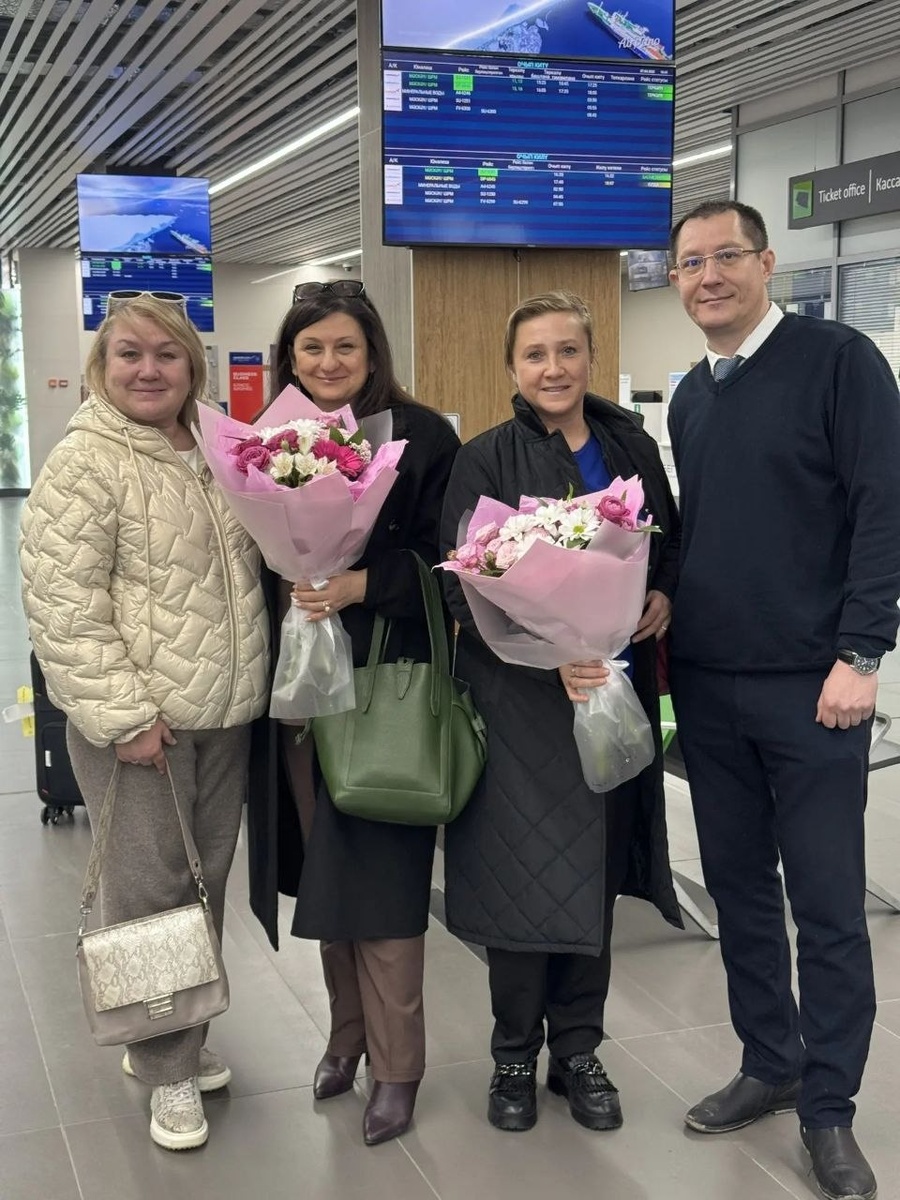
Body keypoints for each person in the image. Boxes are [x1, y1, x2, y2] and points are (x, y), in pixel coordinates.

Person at [667, 199, 900, 1200]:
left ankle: (830, 1110)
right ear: (675, 281)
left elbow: (884, 505)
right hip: (708, 683)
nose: (709, 275)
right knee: (740, 893)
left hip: (815, 689)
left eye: (727, 256)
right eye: (690, 262)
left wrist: (863, 649)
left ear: (767, 264)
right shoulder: (690, 395)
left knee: (828, 905)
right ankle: (772, 1059)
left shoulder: (840, 361)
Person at [19, 295, 270, 1151]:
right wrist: (124, 716)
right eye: (129, 353)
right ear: (102, 366)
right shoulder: (85, 461)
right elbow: (64, 608)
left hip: (223, 713)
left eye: (167, 354)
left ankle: (177, 1035)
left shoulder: (217, 447)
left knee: (203, 883)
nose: (149, 369)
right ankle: (166, 1069)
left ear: (193, 365)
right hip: (141, 725)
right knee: (149, 893)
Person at [439, 290, 682, 1134]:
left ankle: (578, 1049)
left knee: (595, 881)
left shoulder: (629, 446)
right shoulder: (484, 459)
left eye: (568, 351)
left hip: (613, 693)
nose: (554, 368)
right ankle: (513, 1052)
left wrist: (662, 593)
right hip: (522, 708)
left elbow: (668, 540)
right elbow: (465, 589)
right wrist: (551, 658)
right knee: (521, 882)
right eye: (535, 354)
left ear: (589, 358)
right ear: (512, 368)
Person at [246, 280, 460, 1146]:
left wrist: (364, 583)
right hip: (300, 696)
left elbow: (454, 561)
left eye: (345, 346)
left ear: (373, 352)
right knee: (326, 876)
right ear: (289, 358)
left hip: (386, 691)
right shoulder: (269, 445)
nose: (329, 362)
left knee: (385, 883)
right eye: (312, 348)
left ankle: (398, 1067)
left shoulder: (423, 437)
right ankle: (345, 1038)